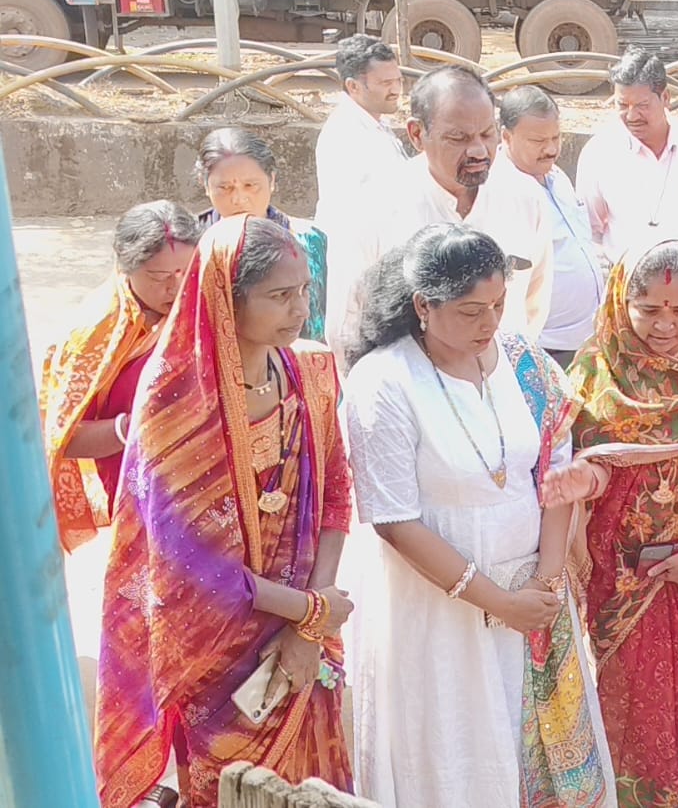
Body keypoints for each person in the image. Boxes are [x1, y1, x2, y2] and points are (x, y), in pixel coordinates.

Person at [341, 225, 614, 807]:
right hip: (437, 608)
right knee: (456, 754)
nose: (489, 323)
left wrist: (544, 580)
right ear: (423, 306)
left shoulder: (523, 360)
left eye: (498, 304)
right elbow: (394, 521)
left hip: (535, 592)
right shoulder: (384, 381)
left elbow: (555, 469)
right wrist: (498, 602)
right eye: (470, 311)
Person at [95, 217, 354, 808]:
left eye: (305, 291)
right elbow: (192, 569)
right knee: (232, 790)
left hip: (305, 631)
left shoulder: (311, 372)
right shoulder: (176, 401)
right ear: (224, 298)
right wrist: (311, 612)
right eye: (279, 295)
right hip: (219, 650)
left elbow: (337, 493)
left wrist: (309, 625)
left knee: (314, 789)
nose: (300, 309)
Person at [541, 239, 678, 806]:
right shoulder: (598, 365)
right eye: (649, 310)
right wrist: (580, 481)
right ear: (622, 301)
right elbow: (596, 465)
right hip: (622, 565)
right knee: (633, 696)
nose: (666, 326)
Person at [40, 200, 202, 552]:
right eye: (158, 277)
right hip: (139, 501)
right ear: (125, 268)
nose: (175, 287)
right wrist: (132, 427)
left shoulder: (205, 309)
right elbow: (63, 438)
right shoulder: (90, 338)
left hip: (212, 482)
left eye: (185, 272)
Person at [326, 65, 500, 360]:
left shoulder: (524, 199)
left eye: (487, 134)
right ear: (417, 134)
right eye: (458, 138)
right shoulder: (371, 208)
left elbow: (533, 308)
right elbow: (346, 325)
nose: (479, 151)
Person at [470, 85, 604, 368]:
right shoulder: (498, 191)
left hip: (585, 338)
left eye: (556, 137)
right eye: (538, 141)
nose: (551, 149)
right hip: (541, 346)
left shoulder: (555, 175)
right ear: (506, 137)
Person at [576, 48, 678, 261]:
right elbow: (588, 230)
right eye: (622, 105)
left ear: (665, 98)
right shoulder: (599, 153)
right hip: (625, 276)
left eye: (642, 105)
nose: (631, 116)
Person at [313, 34, 408, 351]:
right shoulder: (346, 136)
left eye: (398, 80)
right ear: (353, 87)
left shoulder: (376, 126)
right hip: (359, 273)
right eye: (385, 83)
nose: (396, 89)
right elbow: (352, 235)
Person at [196, 127, 329, 342]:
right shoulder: (193, 244)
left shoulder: (307, 240)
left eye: (250, 185)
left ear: (272, 181)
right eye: (225, 188)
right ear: (205, 185)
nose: (239, 199)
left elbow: (315, 326)